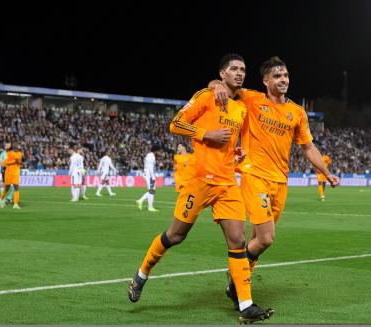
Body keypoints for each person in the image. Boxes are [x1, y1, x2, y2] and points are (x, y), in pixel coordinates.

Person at [128, 54, 273, 324]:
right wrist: (206, 134)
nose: (240, 73)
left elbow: (229, 143)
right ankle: (142, 274)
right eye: (234, 69)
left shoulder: (241, 106)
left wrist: (235, 152)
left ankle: (245, 304)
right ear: (222, 74)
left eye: (243, 69)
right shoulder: (207, 96)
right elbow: (176, 124)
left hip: (227, 182)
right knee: (175, 235)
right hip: (199, 180)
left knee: (238, 241)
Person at [209, 56, 339, 311]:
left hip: (280, 181)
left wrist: (326, 172)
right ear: (266, 80)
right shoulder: (252, 98)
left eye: (286, 76)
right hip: (254, 175)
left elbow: (308, 147)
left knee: (257, 238)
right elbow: (221, 83)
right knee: (267, 238)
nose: (283, 80)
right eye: (277, 76)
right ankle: (237, 280)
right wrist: (217, 85)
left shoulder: (297, 112)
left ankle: (237, 284)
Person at [136, 144, 161, 212]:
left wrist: (154, 175)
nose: (159, 152)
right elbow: (150, 167)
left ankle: (140, 201)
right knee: (151, 191)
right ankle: (150, 207)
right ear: (156, 151)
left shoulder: (150, 155)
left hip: (149, 174)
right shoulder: (151, 156)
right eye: (159, 151)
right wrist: (153, 176)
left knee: (152, 190)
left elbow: (150, 167)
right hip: (149, 175)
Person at [0, 142, 22, 209]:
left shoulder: (20, 153)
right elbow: (5, 163)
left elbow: (20, 162)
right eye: (15, 147)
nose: (16, 148)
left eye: (17, 147)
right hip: (8, 173)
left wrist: (18, 161)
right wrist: (14, 161)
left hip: (16, 173)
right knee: (7, 188)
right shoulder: (9, 153)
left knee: (16, 187)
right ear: (13, 148)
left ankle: (15, 204)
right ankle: (1, 199)